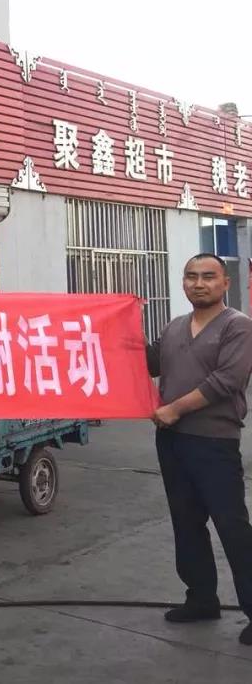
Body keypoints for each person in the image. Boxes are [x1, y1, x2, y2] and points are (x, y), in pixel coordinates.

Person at [146, 252, 252, 646]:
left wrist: (174, 408)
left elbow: (226, 380)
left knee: (232, 526)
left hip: (214, 442)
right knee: (186, 522)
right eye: (191, 276)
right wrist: (120, 329)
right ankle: (201, 599)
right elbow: (151, 364)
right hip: (172, 441)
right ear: (183, 282)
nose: (199, 283)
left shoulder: (238, 326)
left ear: (225, 283)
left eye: (208, 276)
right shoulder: (174, 327)